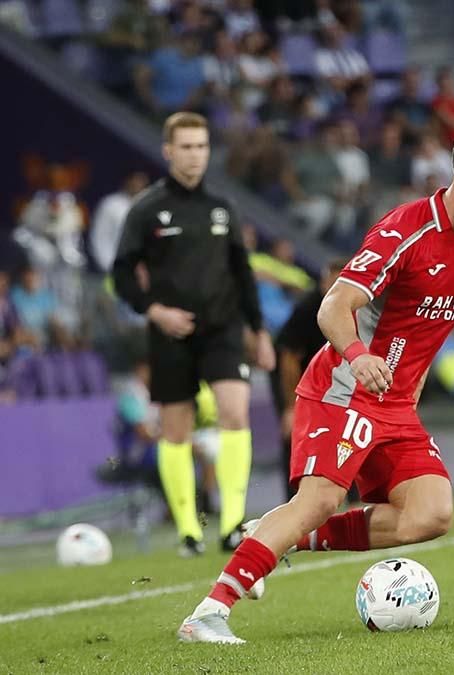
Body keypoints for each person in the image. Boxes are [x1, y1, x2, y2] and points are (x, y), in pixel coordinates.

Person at [177, 119, 454, 644]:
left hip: (395, 404)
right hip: (344, 389)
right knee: (319, 501)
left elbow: (428, 330)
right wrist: (359, 355)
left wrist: (409, 393)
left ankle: (277, 538)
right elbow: (333, 307)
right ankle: (208, 614)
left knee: (431, 514)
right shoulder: (405, 230)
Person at [112, 112, 275, 557]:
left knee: (235, 413)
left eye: (201, 146)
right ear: (168, 151)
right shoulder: (146, 209)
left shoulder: (223, 207)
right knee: (175, 429)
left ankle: (232, 524)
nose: (195, 155)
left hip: (223, 328)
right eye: (186, 147)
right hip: (171, 333)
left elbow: (242, 273)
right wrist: (156, 311)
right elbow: (121, 273)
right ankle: (189, 531)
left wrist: (259, 330)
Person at [272, 257, 349, 500]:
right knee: (297, 431)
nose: (333, 288)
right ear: (323, 283)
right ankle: (293, 498)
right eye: (330, 283)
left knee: (347, 429)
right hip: (293, 374)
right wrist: (290, 407)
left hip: (331, 375)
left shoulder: (357, 305)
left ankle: (353, 495)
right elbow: (289, 358)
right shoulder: (307, 309)